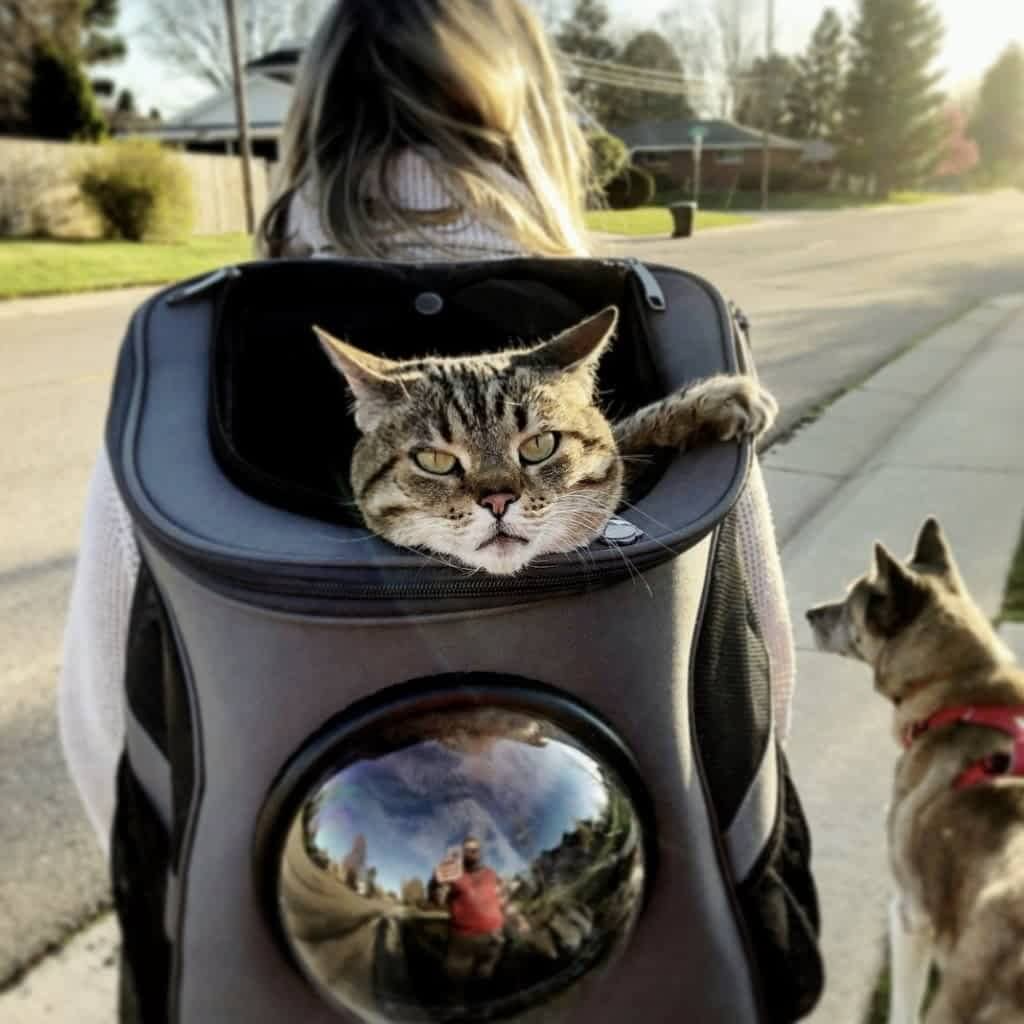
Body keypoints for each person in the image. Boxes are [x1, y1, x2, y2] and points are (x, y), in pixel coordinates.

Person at [58, 0, 795, 855]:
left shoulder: (191, 364)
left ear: (309, 125)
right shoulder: (667, 333)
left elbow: (107, 730)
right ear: (538, 119)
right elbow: (759, 682)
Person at [438, 838, 506, 986]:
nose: (473, 853)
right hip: (463, 940)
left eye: (475, 850)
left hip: (493, 936)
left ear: (480, 852)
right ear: (462, 853)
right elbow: (438, 898)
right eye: (468, 850)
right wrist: (439, 889)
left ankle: (482, 999)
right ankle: (456, 1004)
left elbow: (501, 897)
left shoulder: (491, 873)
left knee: (485, 975)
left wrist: (513, 916)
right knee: (455, 978)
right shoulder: (452, 874)